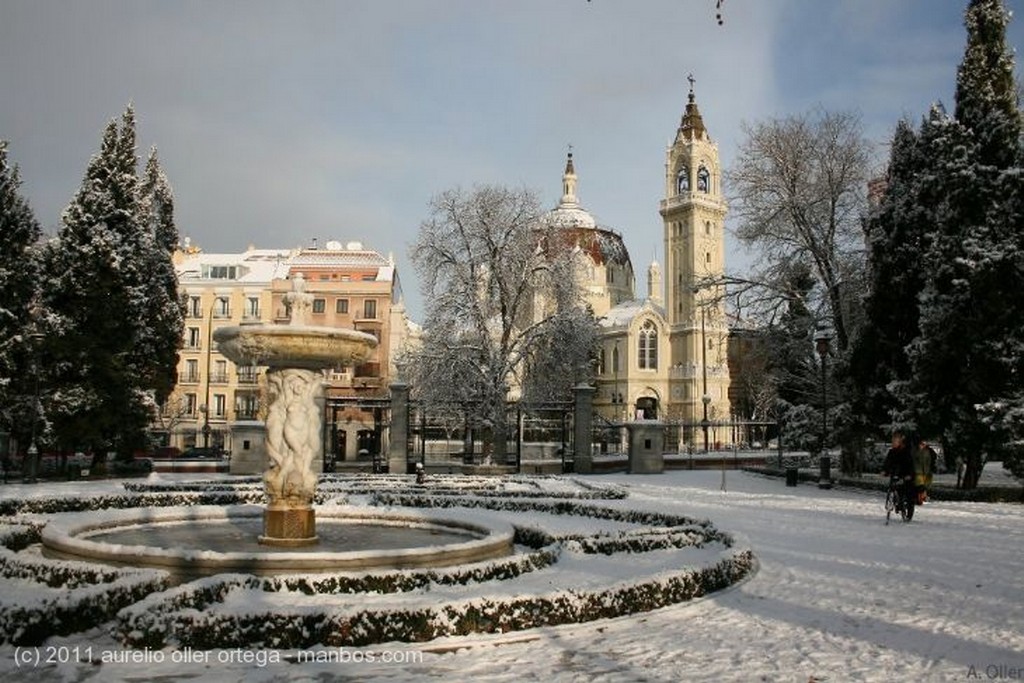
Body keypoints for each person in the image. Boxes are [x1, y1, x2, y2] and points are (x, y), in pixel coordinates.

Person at [881, 431, 915, 516]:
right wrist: (885, 471)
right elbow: (887, 463)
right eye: (892, 440)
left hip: (905, 475)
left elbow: (910, 464)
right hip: (895, 473)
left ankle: (907, 509)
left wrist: (909, 475)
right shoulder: (891, 452)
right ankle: (894, 504)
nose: (893, 442)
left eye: (895, 440)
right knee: (893, 487)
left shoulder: (906, 452)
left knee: (907, 491)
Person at [913, 439, 938, 504]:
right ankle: (919, 498)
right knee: (920, 485)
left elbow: (933, 459)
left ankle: (924, 496)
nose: (922, 445)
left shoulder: (929, 451)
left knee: (926, 485)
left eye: (924, 444)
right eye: (921, 444)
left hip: (927, 471)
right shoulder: (915, 451)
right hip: (918, 471)